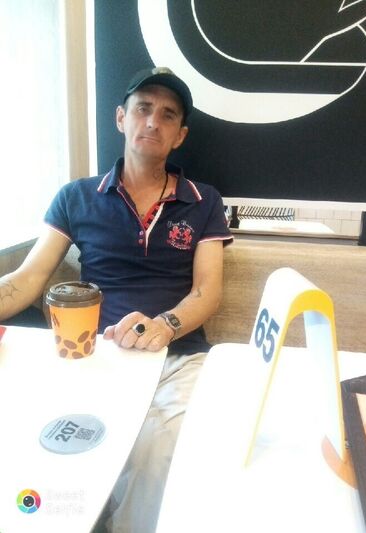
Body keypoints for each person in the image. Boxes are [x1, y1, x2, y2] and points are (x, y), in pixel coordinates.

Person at [0, 66, 232, 531]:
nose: (153, 121)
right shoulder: (76, 196)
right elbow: (27, 279)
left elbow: (207, 291)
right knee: (41, 441)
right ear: (121, 118)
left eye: (168, 115)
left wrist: (164, 325)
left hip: (178, 356)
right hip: (92, 355)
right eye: (143, 108)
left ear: (180, 135)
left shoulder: (203, 200)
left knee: (155, 452)